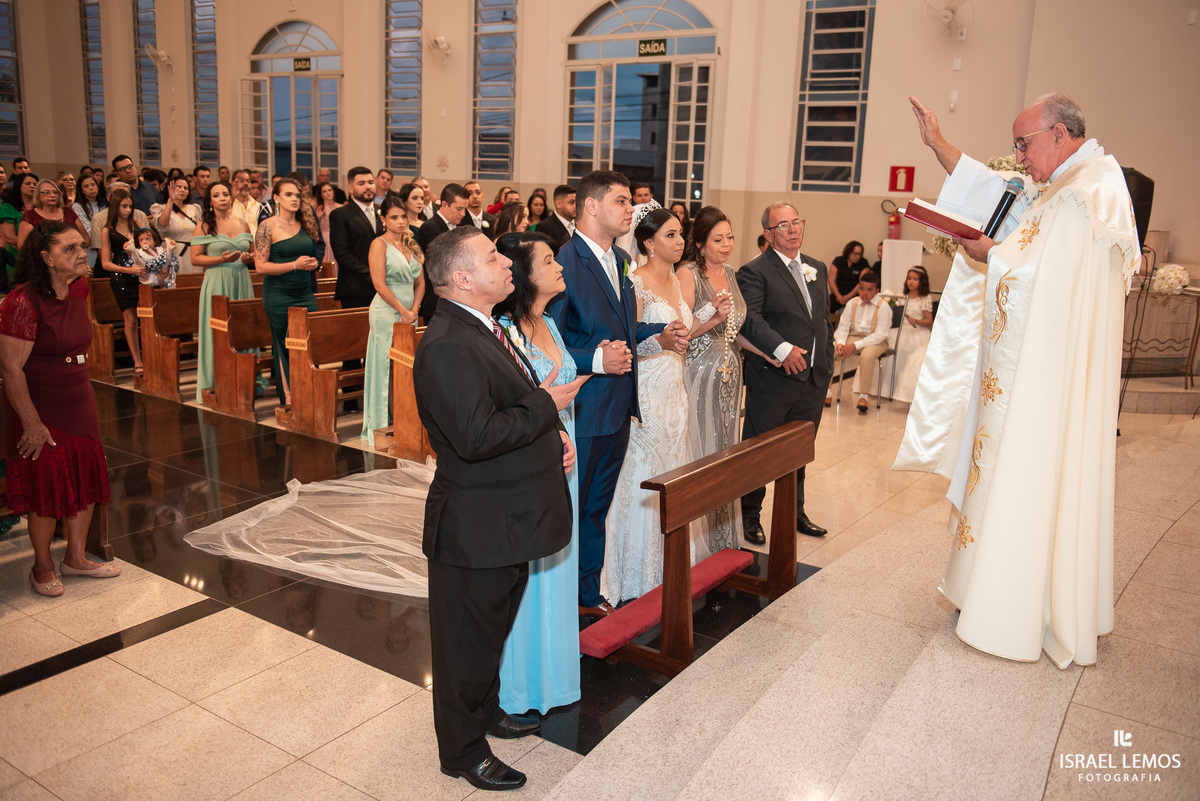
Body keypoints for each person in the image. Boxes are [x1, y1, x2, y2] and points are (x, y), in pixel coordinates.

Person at [898, 94, 1140, 668]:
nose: (1017, 157)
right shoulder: (1060, 183)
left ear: (1059, 133)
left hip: (1046, 385)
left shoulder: (1092, 192)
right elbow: (992, 192)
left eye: (1023, 144)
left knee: (1028, 480)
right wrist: (937, 145)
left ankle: (1019, 605)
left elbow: (1047, 281)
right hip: (1025, 372)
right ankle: (987, 590)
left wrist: (991, 254)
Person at [413, 225, 580, 792]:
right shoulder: (447, 345)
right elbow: (477, 435)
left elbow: (510, 402)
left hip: (503, 518)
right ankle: (460, 752)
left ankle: (484, 714)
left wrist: (551, 429)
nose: (506, 263)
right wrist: (545, 406)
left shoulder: (483, 327)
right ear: (461, 278)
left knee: (490, 630)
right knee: (465, 643)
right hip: (475, 525)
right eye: (492, 258)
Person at [547, 171, 687, 617]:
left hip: (618, 408)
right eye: (621, 201)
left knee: (596, 509)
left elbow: (621, 328)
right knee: (573, 509)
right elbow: (545, 341)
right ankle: (560, 601)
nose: (631, 209)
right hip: (583, 408)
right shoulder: (564, 263)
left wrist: (657, 333)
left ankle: (587, 597)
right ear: (590, 206)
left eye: (630, 201)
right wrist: (594, 361)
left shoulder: (619, 258)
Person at [0, 222, 120, 597]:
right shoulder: (21, 302)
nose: (80, 254)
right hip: (40, 402)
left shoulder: (80, 287)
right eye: (69, 249)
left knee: (84, 475)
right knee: (47, 486)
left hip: (79, 394)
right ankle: (42, 566)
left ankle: (77, 558)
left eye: (81, 246)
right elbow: (10, 368)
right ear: (45, 257)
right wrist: (31, 424)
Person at [492, 231, 585, 716]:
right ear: (524, 275)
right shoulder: (505, 331)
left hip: (566, 449)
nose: (559, 265)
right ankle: (522, 684)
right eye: (549, 260)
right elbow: (513, 403)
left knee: (559, 561)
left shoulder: (549, 320)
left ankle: (555, 676)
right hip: (535, 452)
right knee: (531, 569)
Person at [602, 206, 710, 603]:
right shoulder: (636, 283)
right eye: (670, 235)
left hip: (674, 389)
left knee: (673, 467)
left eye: (681, 234)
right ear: (648, 243)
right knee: (643, 473)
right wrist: (660, 342)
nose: (680, 242)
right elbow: (629, 339)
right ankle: (633, 573)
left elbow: (682, 330)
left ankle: (670, 565)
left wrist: (710, 315)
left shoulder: (678, 283)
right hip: (647, 386)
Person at [737, 202, 833, 542]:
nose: (792, 229)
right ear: (768, 233)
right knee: (759, 452)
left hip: (813, 379)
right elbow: (750, 319)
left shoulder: (817, 268)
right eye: (783, 225)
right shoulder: (754, 271)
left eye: (796, 222)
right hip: (774, 378)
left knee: (799, 451)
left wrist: (827, 362)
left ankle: (794, 512)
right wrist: (782, 349)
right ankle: (750, 516)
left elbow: (821, 322)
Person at [677, 206, 761, 549]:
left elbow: (735, 327)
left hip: (730, 373)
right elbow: (683, 330)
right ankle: (700, 542)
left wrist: (769, 354)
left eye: (729, 238)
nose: (726, 245)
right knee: (703, 449)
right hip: (699, 372)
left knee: (727, 445)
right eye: (717, 239)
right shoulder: (687, 273)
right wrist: (712, 313)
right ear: (700, 243)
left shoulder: (730, 271)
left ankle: (724, 538)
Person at [360, 195, 423, 442]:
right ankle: (377, 425)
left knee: (406, 367)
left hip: (410, 314)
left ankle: (404, 420)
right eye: (394, 217)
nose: (399, 221)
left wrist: (415, 309)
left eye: (402, 216)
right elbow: (378, 283)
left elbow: (420, 282)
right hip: (386, 312)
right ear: (383, 218)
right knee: (383, 367)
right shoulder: (379, 244)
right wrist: (402, 310)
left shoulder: (411, 244)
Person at [254, 178, 320, 405]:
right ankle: (290, 397)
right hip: (279, 294)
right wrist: (294, 265)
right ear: (276, 198)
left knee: (310, 340)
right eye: (289, 194)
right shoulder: (267, 226)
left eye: (298, 195)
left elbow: (313, 254)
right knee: (284, 343)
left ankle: (310, 390)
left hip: (304, 292)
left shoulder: (306, 223)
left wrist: (313, 264)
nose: (294, 199)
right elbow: (260, 266)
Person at [192, 180, 255, 403]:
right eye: (217, 195)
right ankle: (215, 380)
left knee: (242, 329)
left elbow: (254, 254)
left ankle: (245, 380)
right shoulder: (204, 225)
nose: (222, 198)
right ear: (210, 200)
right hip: (217, 279)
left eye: (225, 194)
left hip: (241, 279)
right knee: (218, 332)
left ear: (231, 197)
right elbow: (195, 258)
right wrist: (221, 258)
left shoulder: (243, 223)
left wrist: (249, 259)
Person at [99, 189, 146, 374]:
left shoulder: (137, 224)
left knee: (148, 319)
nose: (127, 210)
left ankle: (150, 355)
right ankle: (137, 361)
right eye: (123, 206)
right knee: (131, 320)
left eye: (130, 206)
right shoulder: (107, 230)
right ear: (115, 207)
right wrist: (129, 270)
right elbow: (105, 264)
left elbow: (149, 247)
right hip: (122, 278)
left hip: (141, 275)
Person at [831, 270, 890, 412]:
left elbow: (880, 334)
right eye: (862, 288)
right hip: (854, 336)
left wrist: (854, 346)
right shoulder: (852, 303)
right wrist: (840, 343)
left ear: (876, 291)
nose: (865, 293)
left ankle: (863, 396)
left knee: (867, 356)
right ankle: (825, 391)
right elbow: (843, 327)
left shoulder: (883, 307)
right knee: (830, 349)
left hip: (876, 340)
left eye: (869, 290)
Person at [879, 266, 934, 404]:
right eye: (909, 278)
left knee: (908, 354)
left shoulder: (924, 298)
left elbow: (929, 321)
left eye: (915, 279)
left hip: (917, 332)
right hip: (900, 330)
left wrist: (916, 321)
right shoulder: (902, 297)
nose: (911, 282)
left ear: (922, 282)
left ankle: (904, 390)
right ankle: (887, 388)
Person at [416, 183, 469, 322]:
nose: (463, 214)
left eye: (465, 209)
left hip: (457, 299)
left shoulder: (462, 227)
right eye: (459, 209)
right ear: (444, 204)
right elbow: (439, 263)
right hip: (437, 300)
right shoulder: (429, 228)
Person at [150, 176, 202, 274]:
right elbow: (163, 224)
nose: (182, 190)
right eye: (178, 187)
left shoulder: (194, 208)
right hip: (172, 252)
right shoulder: (160, 208)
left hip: (192, 252)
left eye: (185, 188)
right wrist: (170, 200)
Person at [17, 180, 89, 250]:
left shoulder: (68, 211)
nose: (52, 195)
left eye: (55, 192)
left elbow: (87, 239)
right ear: (38, 195)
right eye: (46, 192)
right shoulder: (30, 215)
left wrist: (75, 250)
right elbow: (22, 245)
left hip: (73, 257)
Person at [1, 173, 39, 278]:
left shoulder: (41, 209)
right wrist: (34, 249)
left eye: (35, 184)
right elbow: (9, 237)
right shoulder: (8, 208)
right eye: (28, 183)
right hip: (18, 259)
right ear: (18, 186)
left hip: (42, 261)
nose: (32, 186)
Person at [71, 173, 106, 268]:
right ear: (81, 190)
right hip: (90, 251)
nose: (91, 188)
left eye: (93, 184)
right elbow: (88, 231)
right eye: (86, 186)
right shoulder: (77, 207)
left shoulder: (104, 204)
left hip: (106, 250)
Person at [535, 184, 576, 255]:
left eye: (577, 202)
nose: (576, 206)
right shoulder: (545, 227)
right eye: (571, 202)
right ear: (558, 204)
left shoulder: (580, 225)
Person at [828, 240, 865, 316]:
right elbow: (831, 280)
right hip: (837, 294)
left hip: (854, 295)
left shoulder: (863, 263)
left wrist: (848, 297)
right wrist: (838, 296)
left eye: (859, 254)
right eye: (855, 253)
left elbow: (861, 283)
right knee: (826, 306)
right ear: (849, 252)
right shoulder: (838, 261)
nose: (857, 256)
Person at [314, 181, 344, 270]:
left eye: (329, 190)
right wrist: (318, 217)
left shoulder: (341, 207)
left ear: (333, 191)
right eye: (324, 191)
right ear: (321, 195)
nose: (328, 193)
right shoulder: (318, 208)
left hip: (339, 239)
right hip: (324, 239)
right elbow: (313, 227)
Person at [230, 169, 261, 237]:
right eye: (241, 181)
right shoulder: (228, 205)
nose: (246, 183)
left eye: (248, 181)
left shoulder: (258, 206)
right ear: (233, 183)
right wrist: (231, 200)